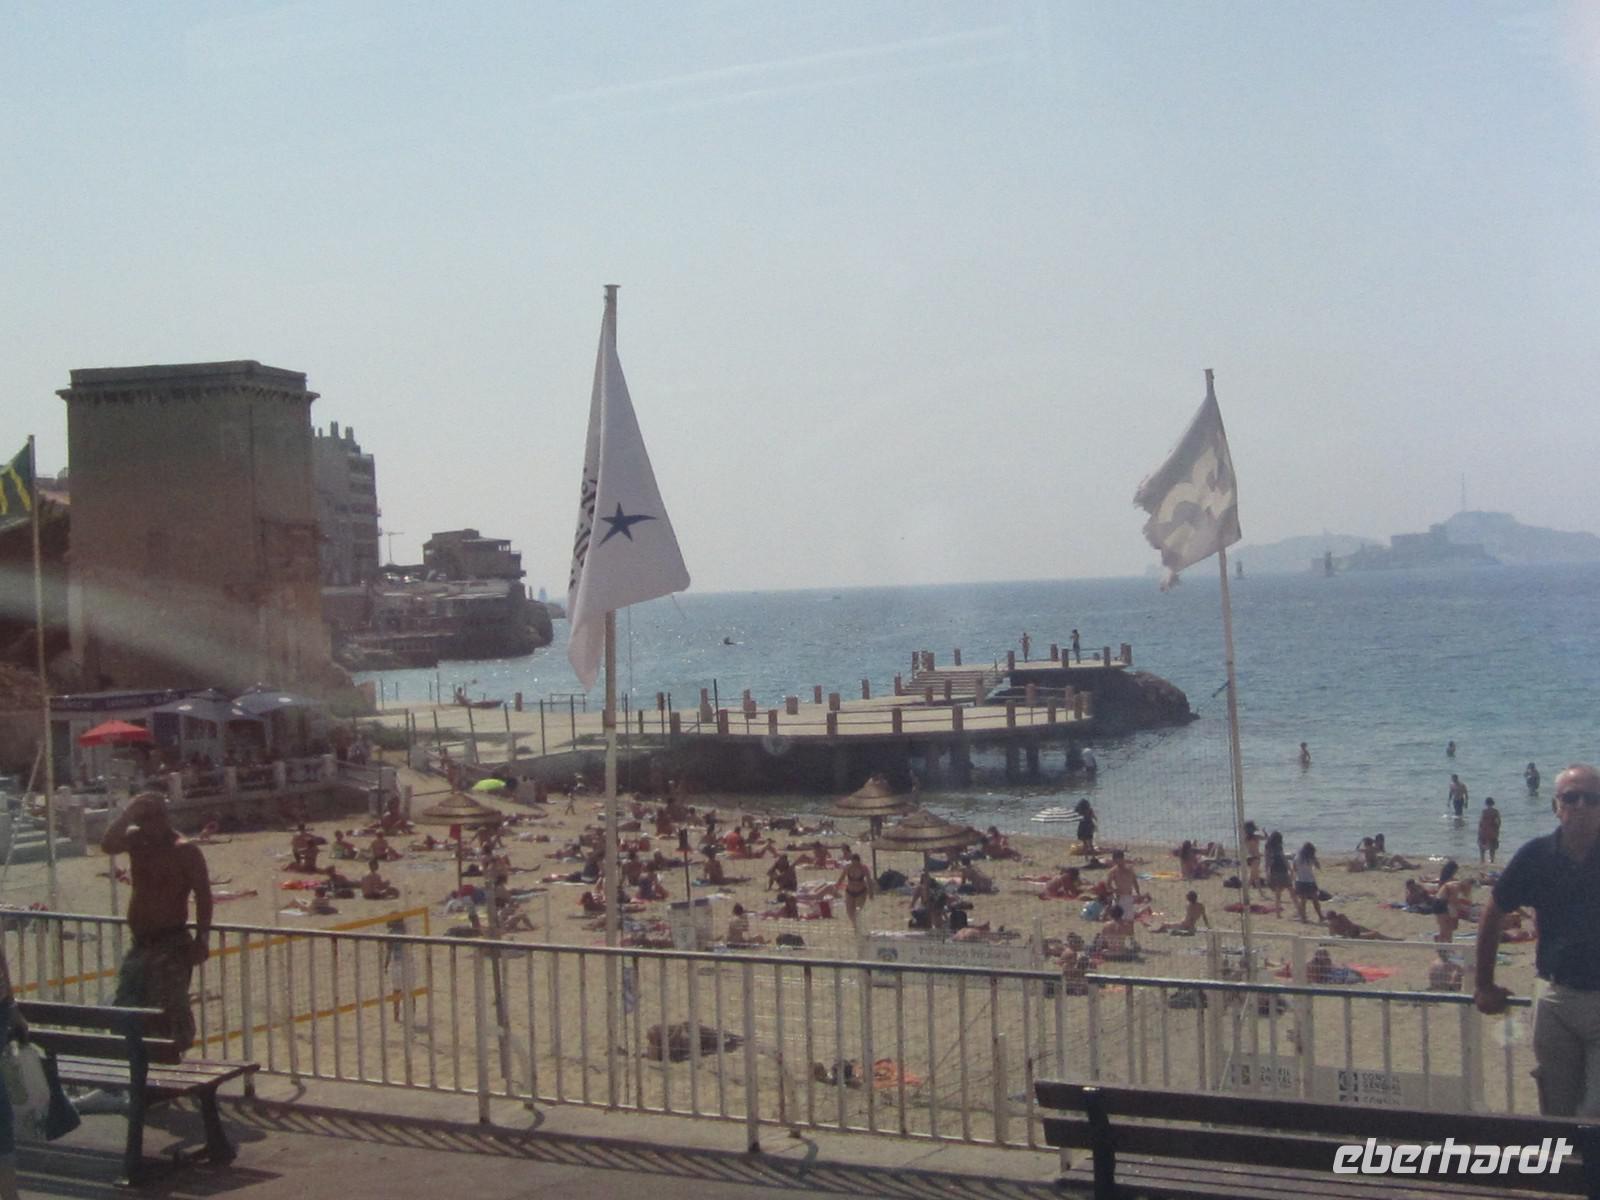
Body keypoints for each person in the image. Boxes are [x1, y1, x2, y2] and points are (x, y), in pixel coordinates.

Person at [1477, 764, 1600, 1116]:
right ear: (1555, 805)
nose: (1581, 806)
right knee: (1558, 1113)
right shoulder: (1536, 855)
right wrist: (1484, 984)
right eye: (1571, 797)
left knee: (1594, 1114)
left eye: (1592, 798)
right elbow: (1493, 913)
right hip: (1554, 997)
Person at [101, 793, 212, 1054]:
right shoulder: (137, 842)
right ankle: (140, 1063)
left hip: (170, 941)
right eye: (140, 820)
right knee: (127, 1007)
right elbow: (107, 845)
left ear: (163, 818)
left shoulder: (184, 850)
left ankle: (173, 1063)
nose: (144, 825)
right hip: (141, 942)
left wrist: (202, 939)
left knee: (169, 1013)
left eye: (148, 818)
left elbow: (203, 896)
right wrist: (127, 814)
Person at [837, 852, 874, 925]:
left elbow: (869, 881)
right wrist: (836, 888)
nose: (855, 865)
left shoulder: (864, 868)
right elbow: (841, 878)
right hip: (849, 892)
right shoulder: (848, 867)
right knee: (849, 911)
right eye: (853, 863)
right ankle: (855, 925)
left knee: (857, 911)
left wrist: (871, 892)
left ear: (859, 861)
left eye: (856, 863)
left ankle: (858, 925)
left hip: (861, 892)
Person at [1292, 841, 1323, 923]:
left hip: (1300, 881)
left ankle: (1303, 918)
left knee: (1303, 901)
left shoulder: (1297, 857)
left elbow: (1294, 869)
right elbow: (1318, 866)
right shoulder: (1311, 858)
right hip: (1310, 881)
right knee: (1315, 900)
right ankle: (1320, 916)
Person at [1263, 831, 1291, 913]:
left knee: (1280, 891)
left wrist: (1267, 872)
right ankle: (1278, 911)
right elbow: (1268, 860)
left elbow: (1267, 860)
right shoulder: (1272, 847)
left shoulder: (1273, 846)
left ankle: (1278, 911)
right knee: (1284, 890)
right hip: (1279, 869)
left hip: (1277, 868)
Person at [1478, 797, 1502, 864]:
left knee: (1482, 846)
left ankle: (1482, 860)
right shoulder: (1495, 811)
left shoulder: (1484, 811)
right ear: (1493, 803)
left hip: (1484, 831)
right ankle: (1492, 860)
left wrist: (1479, 831)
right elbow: (1499, 821)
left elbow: (1481, 822)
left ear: (1486, 803)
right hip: (1492, 831)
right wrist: (1497, 829)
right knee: (1492, 847)